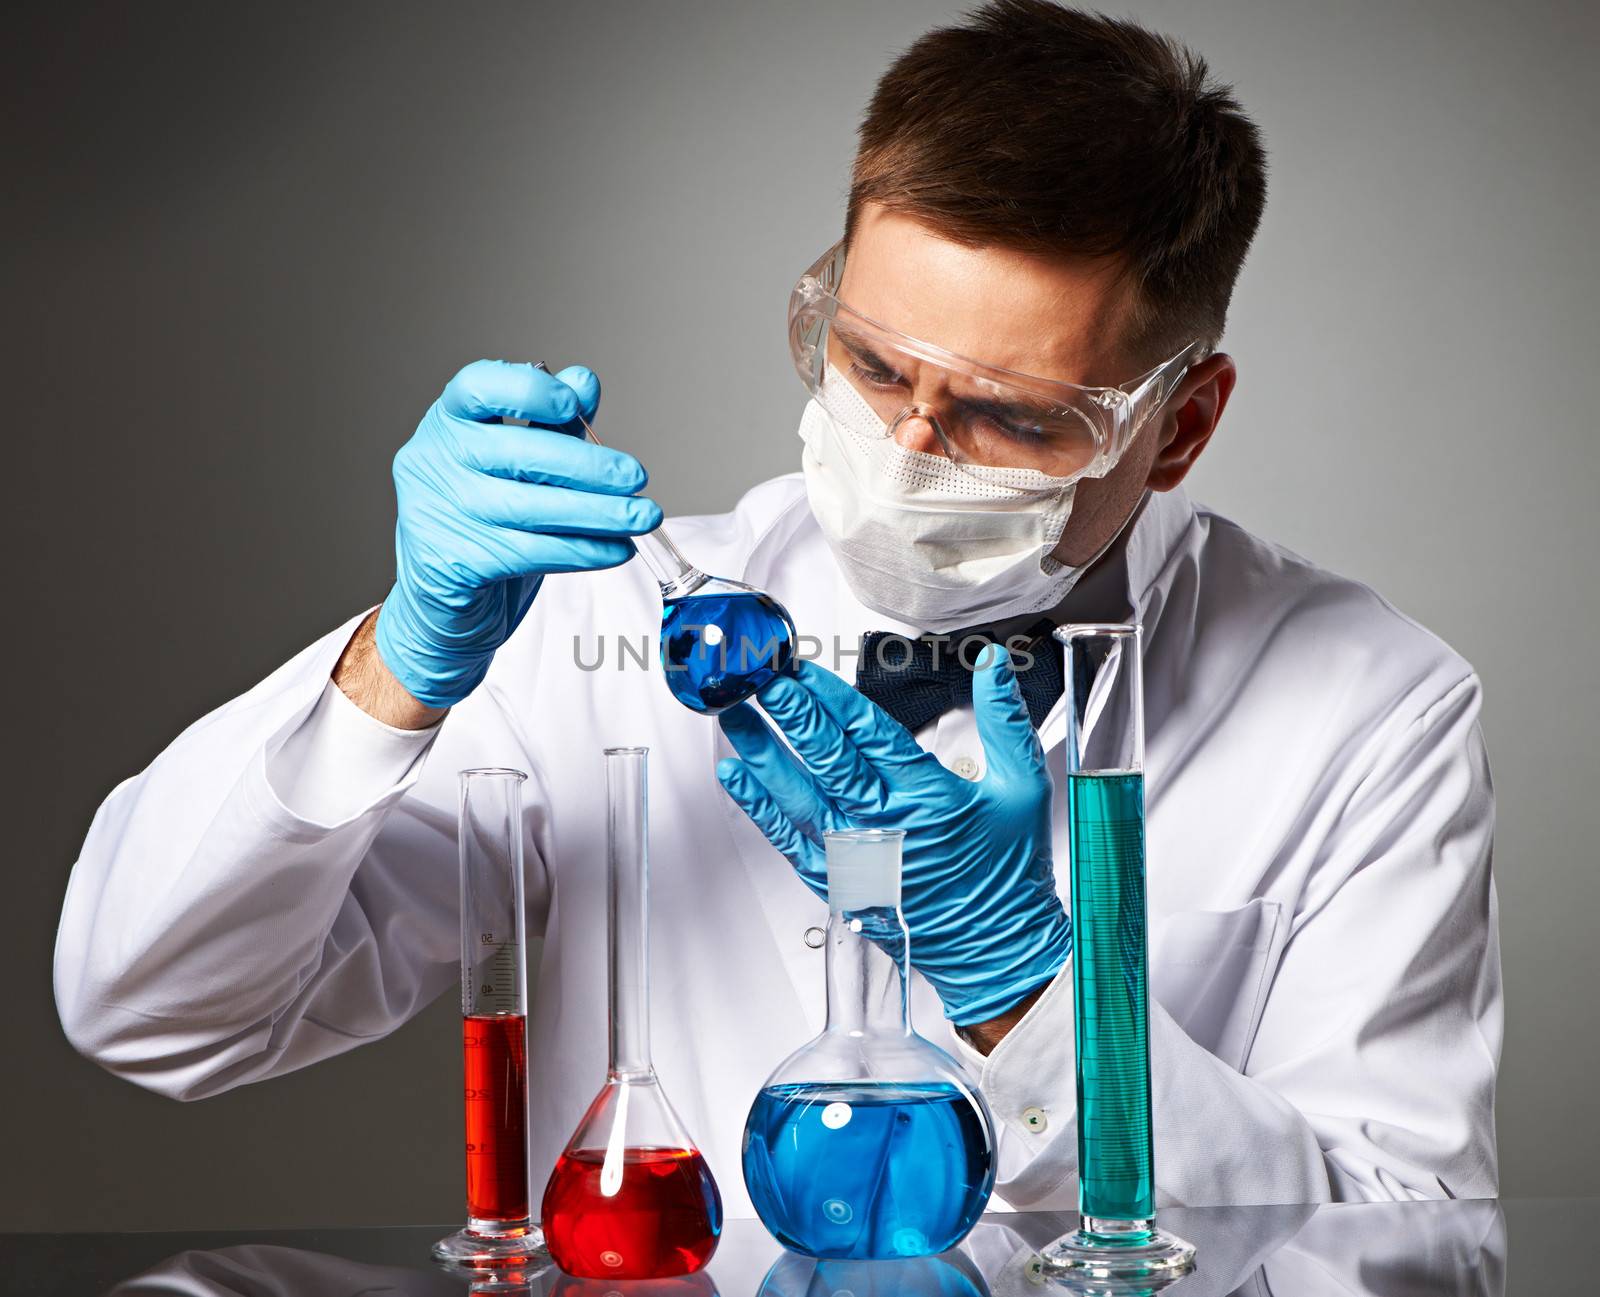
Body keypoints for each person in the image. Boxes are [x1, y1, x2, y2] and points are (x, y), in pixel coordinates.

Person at [54, 0, 1499, 1212]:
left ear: (1177, 427)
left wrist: (1030, 992)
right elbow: (155, 1007)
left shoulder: (1368, 708)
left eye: (1010, 414)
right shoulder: (602, 618)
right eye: (873, 366)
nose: (911, 447)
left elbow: (1409, 1245)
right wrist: (398, 669)